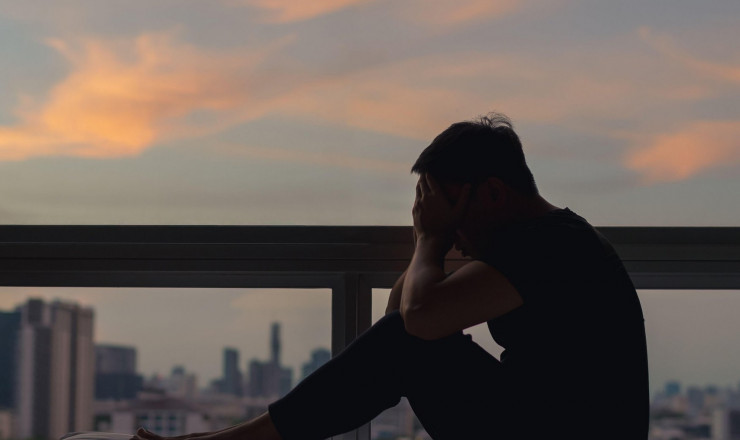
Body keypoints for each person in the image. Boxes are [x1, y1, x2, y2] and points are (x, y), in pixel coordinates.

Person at [132, 113, 649, 440]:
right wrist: (433, 236)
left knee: (412, 340)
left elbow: (417, 324)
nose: (454, 234)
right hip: (540, 422)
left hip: (559, 430)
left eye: (448, 208)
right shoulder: (539, 242)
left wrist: (430, 240)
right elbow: (402, 317)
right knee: (409, 341)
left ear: (491, 194)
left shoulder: (553, 245)